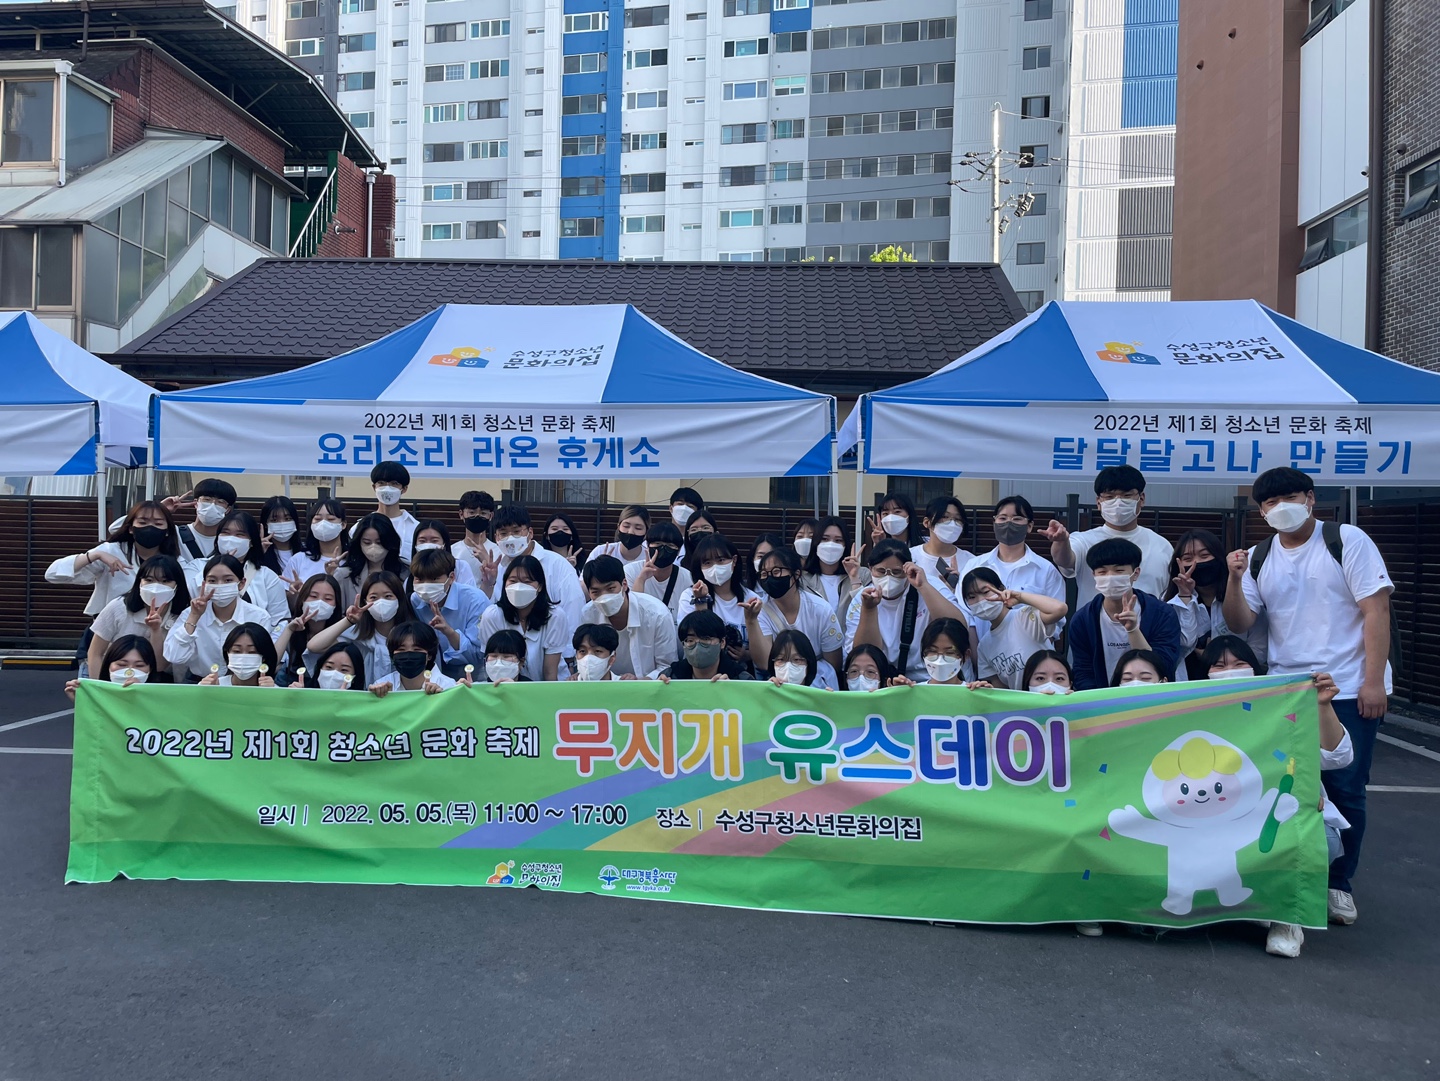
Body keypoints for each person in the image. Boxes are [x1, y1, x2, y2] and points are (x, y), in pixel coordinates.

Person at [1221, 466, 1393, 927]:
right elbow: (1240, 623)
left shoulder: (1346, 540)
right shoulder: (1259, 556)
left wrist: (1373, 683)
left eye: (1291, 498)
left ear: (1311, 498)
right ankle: (1289, 877)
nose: (1281, 508)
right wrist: (1234, 579)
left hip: (1348, 687)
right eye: (1270, 503)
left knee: (1346, 786)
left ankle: (1339, 884)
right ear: (1261, 511)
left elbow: (1376, 610)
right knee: (1288, 787)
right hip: (1286, 691)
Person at [1199, 653, 1353, 959]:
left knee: (1321, 838)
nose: (1229, 671)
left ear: (1257, 671)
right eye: (1219, 665)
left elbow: (1338, 757)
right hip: (1218, 824)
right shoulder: (1194, 721)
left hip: (1276, 819)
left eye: (1238, 664)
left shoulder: (1285, 714)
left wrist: (1323, 706)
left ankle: (1287, 919)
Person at [46, 501, 187, 659]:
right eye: (143, 522)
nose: (150, 528)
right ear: (131, 528)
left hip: (155, 639)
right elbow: (53, 574)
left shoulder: (176, 562)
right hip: (106, 638)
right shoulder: (112, 550)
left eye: (158, 523)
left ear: (168, 531)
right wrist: (95, 555)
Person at [1045, 465, 1174, 606]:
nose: (1118, 503)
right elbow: (1064, 560)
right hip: (1095, 620)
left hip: (1148, 620)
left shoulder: (1162, 546)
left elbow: (1169, 593)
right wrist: (1061, 541)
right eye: (1109, 497)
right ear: (1098, 502)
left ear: (1141, 499)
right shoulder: (1083, 540)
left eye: (1126, 496)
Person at [844, 539, 969, 683]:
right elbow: (863, 652)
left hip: (928, 676)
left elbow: (958, 628)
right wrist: (869, 609)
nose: (888, 577)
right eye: (881, 571)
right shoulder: (863, 598)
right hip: (883, 678)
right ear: (870, 568)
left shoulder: (930, 585)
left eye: (897, 572)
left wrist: (923, 587)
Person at [1067, 538, 1182, 691]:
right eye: (1102, 572)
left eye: (1119, 571)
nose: (1110, 577)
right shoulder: (1082, 620)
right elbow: (1083, 672)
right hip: (1104, 700)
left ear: (1136, 573)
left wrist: (1133, 630)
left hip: (1153, 697)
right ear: (1093, 575)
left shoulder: (1162, 614)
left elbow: (1165, 665)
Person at [1165, 529, 1267, 680]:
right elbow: (1181, 644)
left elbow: (1259, 647)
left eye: (1204, 556)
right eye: (1188, 558)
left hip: (1238, 681)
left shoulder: (1243, 593)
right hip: (1188, 683)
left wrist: (1225, 663)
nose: (1196, 563)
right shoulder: (1170, 602)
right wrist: (1185, 596)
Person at [162, 554, 272, 682]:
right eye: (212, 581)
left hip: (240, 684)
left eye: (228, 580)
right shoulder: (190, 613)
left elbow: (264, 656)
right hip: (199, 682)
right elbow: (174, 656)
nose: (220, 585)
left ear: (241, 583)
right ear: (204, 584)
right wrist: (194, 617)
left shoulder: (259, 617)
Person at [84, 555, 190, 681]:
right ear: (139, 581)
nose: (156, 587)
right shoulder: (118, 607)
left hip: (161, 681)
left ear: (177, 585)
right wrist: (99, 687)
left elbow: (159, 665)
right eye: (149, 580)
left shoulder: (184, 616)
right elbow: (95, 653)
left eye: (165, 581)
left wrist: (155, 630)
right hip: (116, 677)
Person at [962, 567, 1067, 689]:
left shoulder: (1025, 616)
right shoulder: (984, 646)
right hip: (1022, 701)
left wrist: (1020, 597)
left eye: (985, 592)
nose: (980, 600)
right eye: (972, 597)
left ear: (1001, 589)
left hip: (1052, 694)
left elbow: (1059, 609)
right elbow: (1001, 690)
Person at [486, 504, 587, 632]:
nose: (510, 538)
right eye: (503, 533)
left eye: (516, 532)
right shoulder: (497, 568)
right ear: (496, 537)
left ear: (530, 533)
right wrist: (488, 584)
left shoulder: (558, 565)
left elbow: (573, 611)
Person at [745, 547, 844, 676]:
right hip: (779, 679)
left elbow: (834, 663)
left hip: (817, 679)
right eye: (764, 574)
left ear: (796, 574)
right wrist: (751, 621)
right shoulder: (760, 611)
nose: (769, 578)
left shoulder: (820, 609)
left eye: (776, 572)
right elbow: (764, 662)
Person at [305, 570, 414, 683]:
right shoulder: (356, 635)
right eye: (373, 597)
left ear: (399, 599)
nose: (381, 602)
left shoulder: (411, 634)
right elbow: (314, 646)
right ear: (365, 601)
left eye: (388, 596)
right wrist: (348, 621)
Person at [578, 555, 677, 679]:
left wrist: (642, 682)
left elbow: (667, 665)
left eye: (610, 589)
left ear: (624, 584)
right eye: (596, 592)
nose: (604, 597)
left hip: (647, 687)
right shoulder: (588, 614)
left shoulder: (657, 614)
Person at [477, 556, 568, 681]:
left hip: (546, 686)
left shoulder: (555, 616)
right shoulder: (492, 616)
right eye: (513, 581)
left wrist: (547, 694)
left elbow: (550, 672)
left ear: (540, 586)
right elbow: (492, 663)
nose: (519, 587)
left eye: (527, 582)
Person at [968, 496, 1066, 605]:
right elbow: (963, 609)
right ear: (994, 523)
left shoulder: (1046, 571)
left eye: (1017, 519)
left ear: (1029, 526)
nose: (1008, 523)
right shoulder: (974, 565)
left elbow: (1057, 611)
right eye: (1002, 518)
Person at [408, 548, 489, 679]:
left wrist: (449, 632)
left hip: (472, 676)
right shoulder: (415, 600)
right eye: (419, 579)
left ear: (451, 577)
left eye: (434, 579)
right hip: (434, 677)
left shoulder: (475, 600)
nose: (426, 585)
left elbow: (479, 655)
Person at [215, 509, 291, 627]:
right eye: (225, 533)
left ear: (251, 542)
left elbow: (280, 621)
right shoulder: (197, 568)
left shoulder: (267, 576)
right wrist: (223, 565)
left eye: (240, 534)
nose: (231, 539)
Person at [678, 534, 753, 655]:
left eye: (721, 560)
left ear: (734, 560)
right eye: (707, 562)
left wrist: (748, 655)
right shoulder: (689, 596)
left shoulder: (751, 599)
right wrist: (701, 601)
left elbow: (764, 655)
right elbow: (694, 645)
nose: (715, 567)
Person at [272, 573, 343, 682]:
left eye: (328, 598)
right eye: (313, 596)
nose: (319, 602)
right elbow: (271, 661)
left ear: (336, 604)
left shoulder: (343, 630)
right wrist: (289, 630)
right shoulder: (286, 625)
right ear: (302, 599)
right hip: (289, 685)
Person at [335, 512, 405, 608]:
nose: (373, 547)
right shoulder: (344, 575)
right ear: (359, 543)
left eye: (379, 542)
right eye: (367, 542)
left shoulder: (406, 573)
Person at [800, 515, 867, 616]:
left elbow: (868, 611)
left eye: (838, 540)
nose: (830, 544)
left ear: (845, 545)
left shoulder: (863, 575)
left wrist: (855, 580)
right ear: (816, 542)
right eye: (825, 539)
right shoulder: (802, 580)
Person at [368, 621, 458, 695]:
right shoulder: (382, 687)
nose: (408, 655)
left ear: (429, 655)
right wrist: (378, 699)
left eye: (417, 649)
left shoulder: (448, 687)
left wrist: (440, 698)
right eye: (401, 649)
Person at [626, 522, 692, 620]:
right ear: (647, 546)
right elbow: (633, 613)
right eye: (657, 544)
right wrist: (641, 579)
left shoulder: (687, 578)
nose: (663, 549)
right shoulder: (630, 571)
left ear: (678, 551)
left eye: (670, 545)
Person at [162, 478, 237, 566]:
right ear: (196, 503)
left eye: (220, 502)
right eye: (207, 499)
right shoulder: (175, 533)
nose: (212, 505)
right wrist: (162, 509)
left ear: (228, 509)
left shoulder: (230, 540)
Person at [663, 610, 752, 681]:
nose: (697, 645)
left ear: (722, 642)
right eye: (690, 640)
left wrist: (734, 690)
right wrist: (659, 689)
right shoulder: (670, 676)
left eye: (705, 639)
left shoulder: (742, 679)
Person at [911, 496, 974, 593]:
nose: (952, 523)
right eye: (945, 517)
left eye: (958, 519)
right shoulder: (910, 556)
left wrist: (957, 589)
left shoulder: (972, 562)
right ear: (927, 522)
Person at [64, 634, 155, 700]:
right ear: (108, 665)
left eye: (139, 665)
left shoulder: (159, 700)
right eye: (122, 665)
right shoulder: (97, 698)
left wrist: (140, 695)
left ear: (150, 669)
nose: (130, 672)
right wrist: (80, 700)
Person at [361, 461, 420, 561]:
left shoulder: (415, 528)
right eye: (381, 483)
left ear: (404, 489)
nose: (387, 488)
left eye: (394, 483)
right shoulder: (360, 526)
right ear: (374, 487)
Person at [286, 498, 348, 584]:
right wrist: (298, 590)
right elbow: (287, 590)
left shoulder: (353, 560)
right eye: (318, 519)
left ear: (343, 524)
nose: (323, 523)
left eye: (330, 519)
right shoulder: (298, 560)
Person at [198, 622, 279, 687]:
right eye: (236, 651)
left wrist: (269, 694)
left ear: (264, 657)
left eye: (252, 652)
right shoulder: (213, 685)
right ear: (227, 653)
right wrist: (208, 692)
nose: (243, 657)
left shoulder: (274, 690)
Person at [765, 628, 837, 689]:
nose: (788, 666)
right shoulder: (765, 694)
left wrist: (828, 699)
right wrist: (766, 692)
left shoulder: (818, 696)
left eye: (796, 659)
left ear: (809, 663)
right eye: (781, 659)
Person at [453, 490, 500, 582]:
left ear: (491, 516)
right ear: (461, 514)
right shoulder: (452, 552)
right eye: (472, 512)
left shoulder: (499, 553)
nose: (477, 516)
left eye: (483, 513)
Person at [411, 520, 476, 587]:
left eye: (434, 541)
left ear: (444, 544)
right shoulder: (412, 569)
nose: (428, 545)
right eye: (422, 541)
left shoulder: (460, 567)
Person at [257, 495, 306, 581]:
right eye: (274, 520)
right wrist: (257, 553)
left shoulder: (306, 553)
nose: (282, 523)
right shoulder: (259, 553)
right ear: (265, 524)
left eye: (288, 519)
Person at [589, 504, 650, 568]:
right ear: (618, 527)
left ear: (646, 531)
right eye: (626, 526)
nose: (631, 532)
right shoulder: (599, 552)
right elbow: (585, 574)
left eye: (638, 528)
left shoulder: (651, 558)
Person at [297, 642, 367, 690]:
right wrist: (296, 696)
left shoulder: (362, 704)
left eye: (344, 670)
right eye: (329, 667)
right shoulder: (304, 693)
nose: (334, 674)